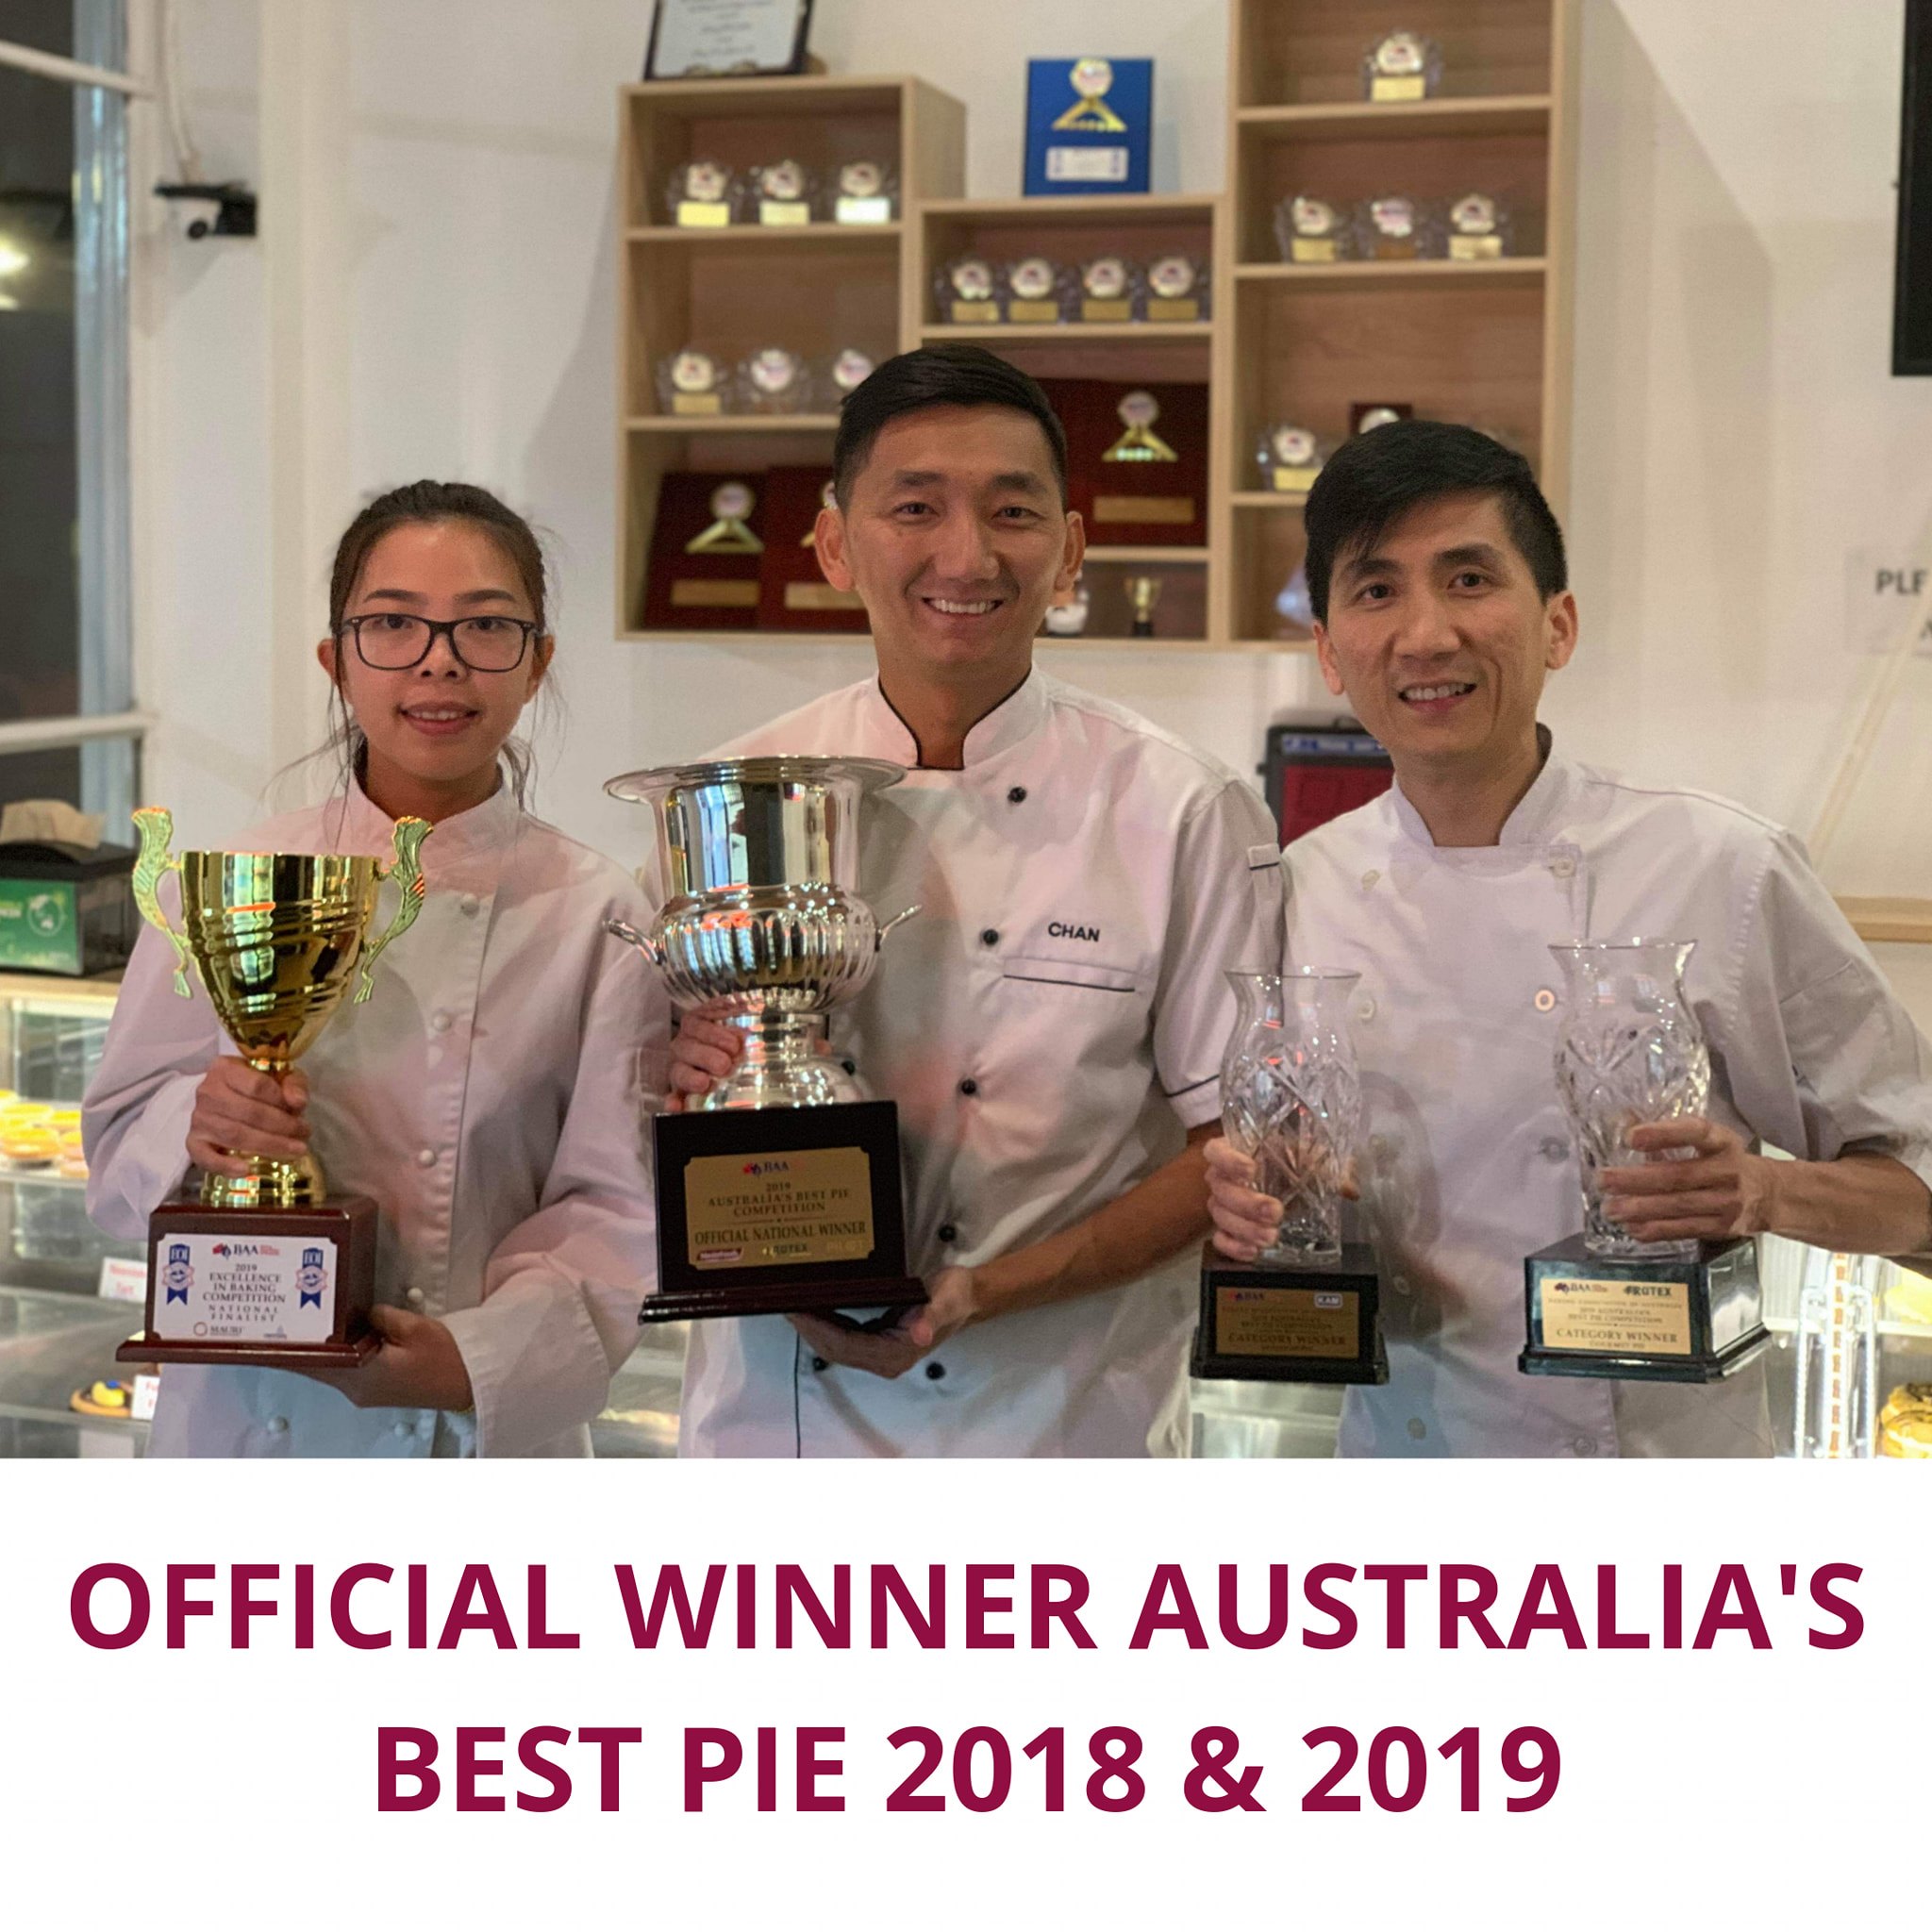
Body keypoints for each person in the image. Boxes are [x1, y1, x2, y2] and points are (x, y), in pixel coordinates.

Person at [1204, 420, 1932, 1457]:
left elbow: (1917, 1190)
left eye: (1467, 579)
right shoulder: (1295, 889)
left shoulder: (1719, 864)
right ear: (1327, 648)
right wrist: (1251, 1200)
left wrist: (1762, 1189)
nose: (1424, 634)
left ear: (1556, 623)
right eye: (1375, 590)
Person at [653, 344, 1282, 1457]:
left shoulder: (1183, 805)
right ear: (836, 543)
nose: (967, 552)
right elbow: (646, 1106)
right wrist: (680, 1087)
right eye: (915, 506)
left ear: (1070, 550)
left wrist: (985, 1289)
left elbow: (1233, 1143)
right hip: (775, 1432)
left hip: (1066, 1426)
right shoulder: (729, 799)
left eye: (1012, 510)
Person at [84, 481, 657, 1457]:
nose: (439, 660)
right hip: (242, 1429)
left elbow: (613, 1200)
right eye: (392, 623)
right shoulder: (219, 885)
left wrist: (473, 1359)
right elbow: (110, 1167)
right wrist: (200, 1122)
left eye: (485, 626)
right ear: (336, 661)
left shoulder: (597, 909)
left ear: (537, 663)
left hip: (470, 1437)